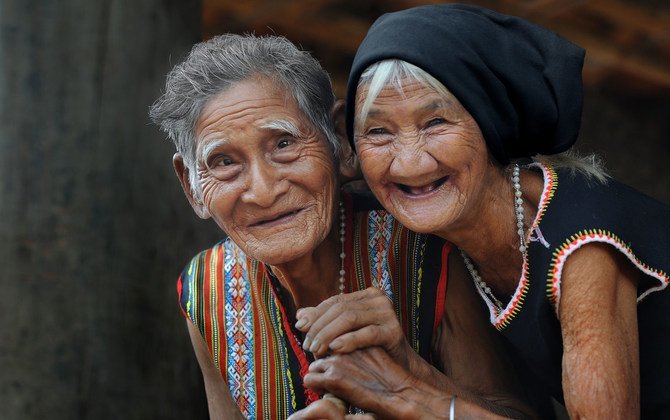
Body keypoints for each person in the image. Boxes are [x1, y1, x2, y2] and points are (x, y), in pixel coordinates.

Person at [292, 4, 670, 420]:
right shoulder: (454, 240)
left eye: (436, 122)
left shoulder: (579, 241)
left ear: (488, 124)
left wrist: (409, 396)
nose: (410, 161)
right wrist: (409, 376)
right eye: (379, 132)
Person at [149, 33, 533, 419]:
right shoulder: (207, 290)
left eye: (284, 143)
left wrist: (409, 385)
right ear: (192, 186)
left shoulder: (422, 248)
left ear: (340, 142)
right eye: (223, 162)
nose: (263, 192)